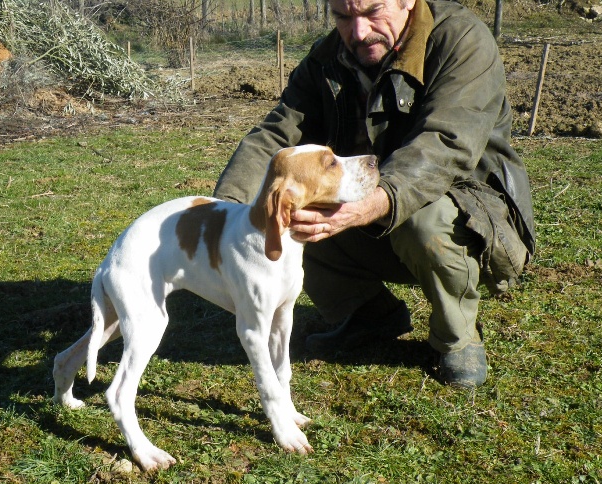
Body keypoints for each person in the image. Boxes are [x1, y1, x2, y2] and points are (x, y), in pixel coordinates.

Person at [213, 0, 536, 388]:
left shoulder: (461, 41)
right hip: (377, 207)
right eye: (343, 17)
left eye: (372, 12)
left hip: (474, 217)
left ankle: (457, 337)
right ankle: (369, 314)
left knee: (421, 219)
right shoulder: (328, 57)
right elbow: (277, 135)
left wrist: (365, 206)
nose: (358, 32)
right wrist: (227, 210)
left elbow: (444, 145)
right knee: (297, 216)